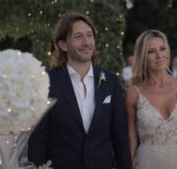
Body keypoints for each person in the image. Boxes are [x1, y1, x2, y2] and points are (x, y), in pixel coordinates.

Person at [28, 12, 132, 169]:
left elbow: (120, 136)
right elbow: (38, 138)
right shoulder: (46, 82)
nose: (86, 42)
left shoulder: (110, 81)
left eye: (89, 35)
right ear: (63, 45)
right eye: (78, 37)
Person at [125, 30, 177, 169]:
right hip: (147, 163)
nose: (159, 56)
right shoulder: (133, 93)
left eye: (162, 49)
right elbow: (131, 138)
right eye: (151, 51)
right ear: (143, 56)